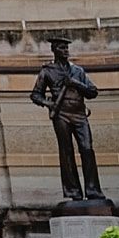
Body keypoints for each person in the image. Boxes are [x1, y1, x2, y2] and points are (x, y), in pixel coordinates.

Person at [30, 35, 104, 201]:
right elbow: (35, 95)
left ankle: (93, 190)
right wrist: (49, 104)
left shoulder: (78, 71)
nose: (65, 51)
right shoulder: (47, 71)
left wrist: (76, 83)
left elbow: (93, 92)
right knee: (66, 152)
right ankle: (73, 192)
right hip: (61, 114)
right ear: (54, 50)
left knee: (87, 149)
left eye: (66, 48)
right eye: (61, 48)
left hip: (79, 114)